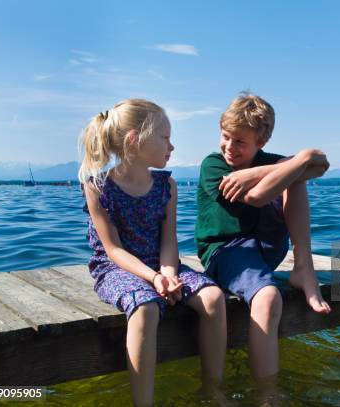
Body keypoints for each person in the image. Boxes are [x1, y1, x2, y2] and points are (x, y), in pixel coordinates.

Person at [79, 99, 226, 407]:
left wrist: (169, 275)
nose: (171, 146)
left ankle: (213, 392)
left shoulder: (166, 185)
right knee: (145, 307)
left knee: (213, 298)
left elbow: (169, 241)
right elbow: (114, 250)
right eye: (165, 138)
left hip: (162, 264)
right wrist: (154, 278)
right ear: (135, 139)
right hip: (117, 268)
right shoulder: (97, 187)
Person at [195, 92, 331, 389]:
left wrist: (271, 167)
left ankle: (303, 266)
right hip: (225, 251)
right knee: (269, 297)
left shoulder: (264, 160)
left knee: (295, 175)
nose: (229, 147)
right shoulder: (213, 165)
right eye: (226, 137)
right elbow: (257, 197)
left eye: (240, 142)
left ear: (261, 142)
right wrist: (298, 161)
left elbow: (320, 164)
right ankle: (268, 396)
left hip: (266, 247)